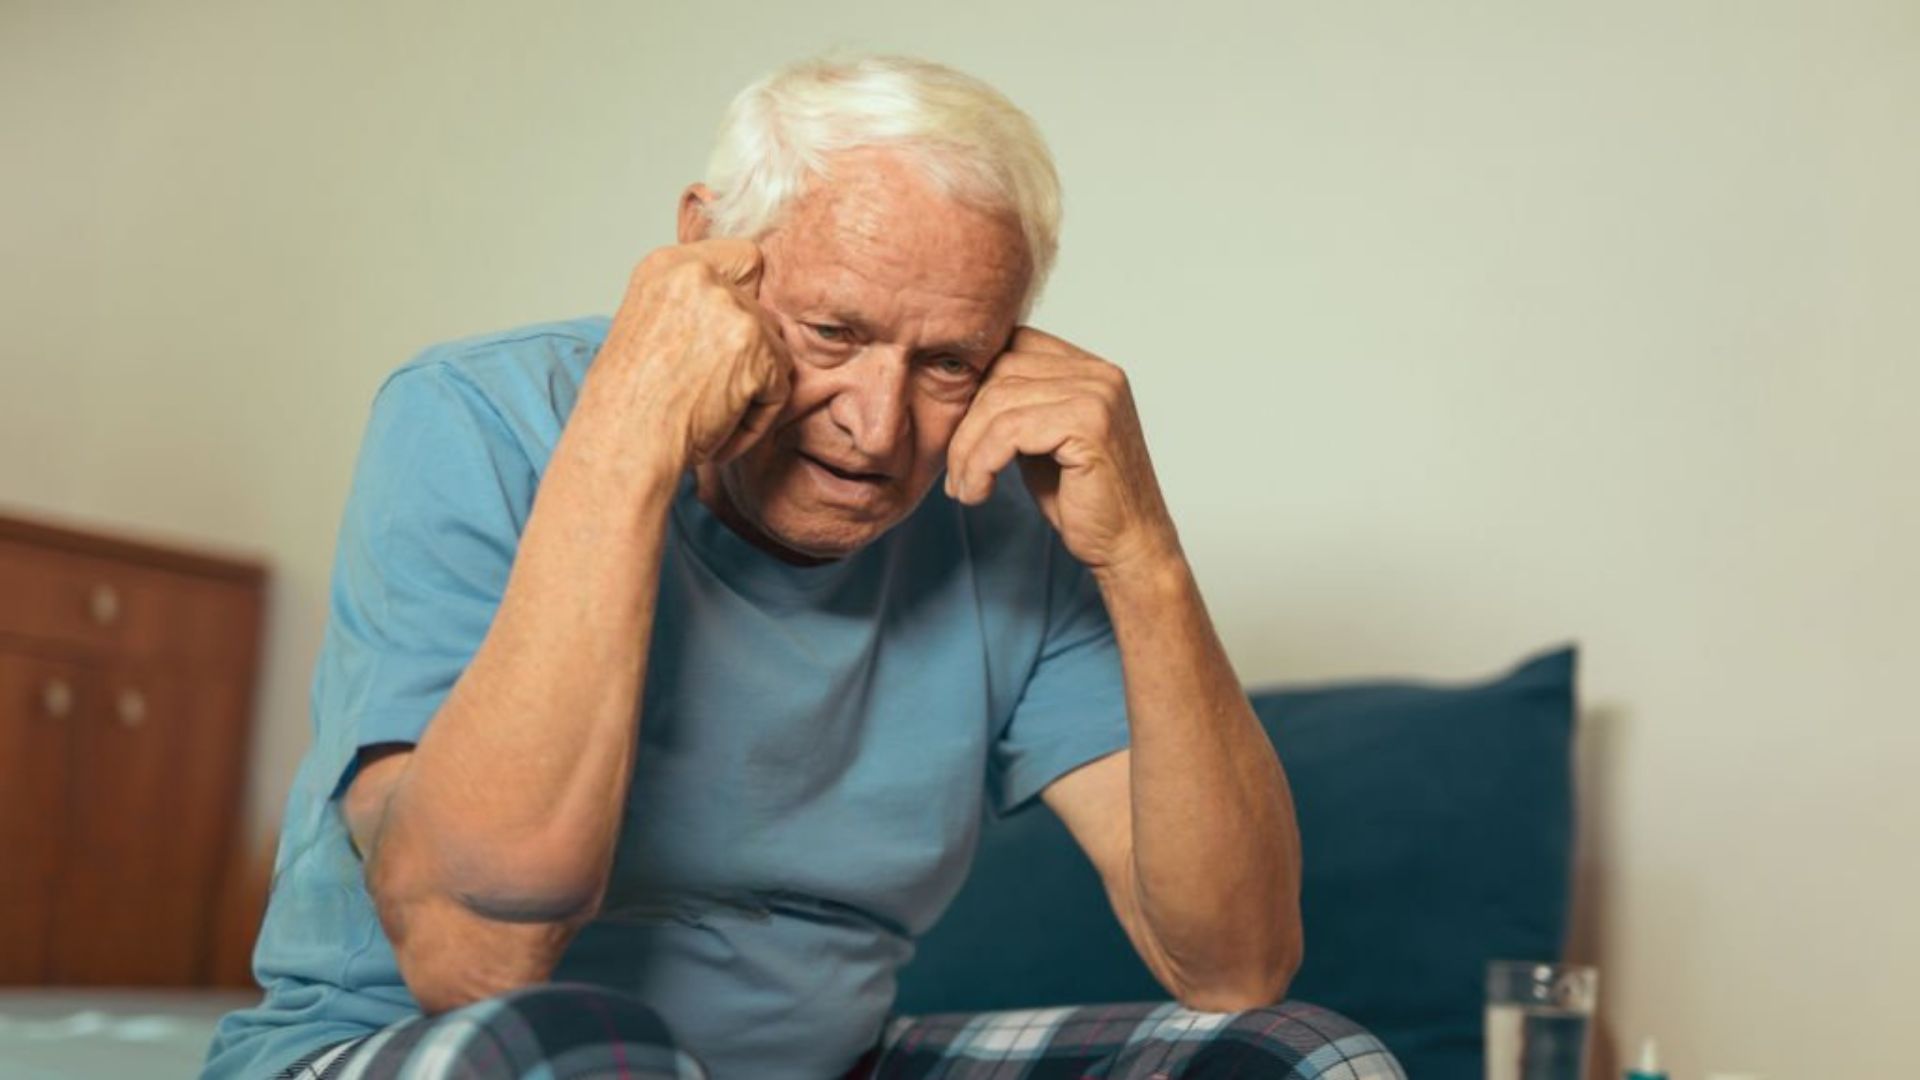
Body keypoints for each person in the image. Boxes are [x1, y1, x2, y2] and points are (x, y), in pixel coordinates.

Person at [203, 54, 1405, 1080]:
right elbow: (476, 959)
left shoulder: (1008, 509)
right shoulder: (473, 419)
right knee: (565, 1053)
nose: (877, 427)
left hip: (827, 1065)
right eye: (832, 333)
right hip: (443, 1051)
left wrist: (1143, 554)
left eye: (948, 363)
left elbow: (1235, 962)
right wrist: (631, 426)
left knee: (1297, 1058)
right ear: (703, 259)